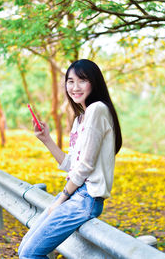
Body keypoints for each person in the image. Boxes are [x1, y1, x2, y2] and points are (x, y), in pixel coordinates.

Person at [18, 59, 122, 259]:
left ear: (94, 82)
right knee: (24, 249)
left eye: (82, 81)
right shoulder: (79, 119)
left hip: (85, 199)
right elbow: (72, 166)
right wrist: (47, 140)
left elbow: (85, 167)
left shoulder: (97, 109)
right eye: (70, 81)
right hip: (74, 196)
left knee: (30, 254)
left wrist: (62, 199)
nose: (75, 87)